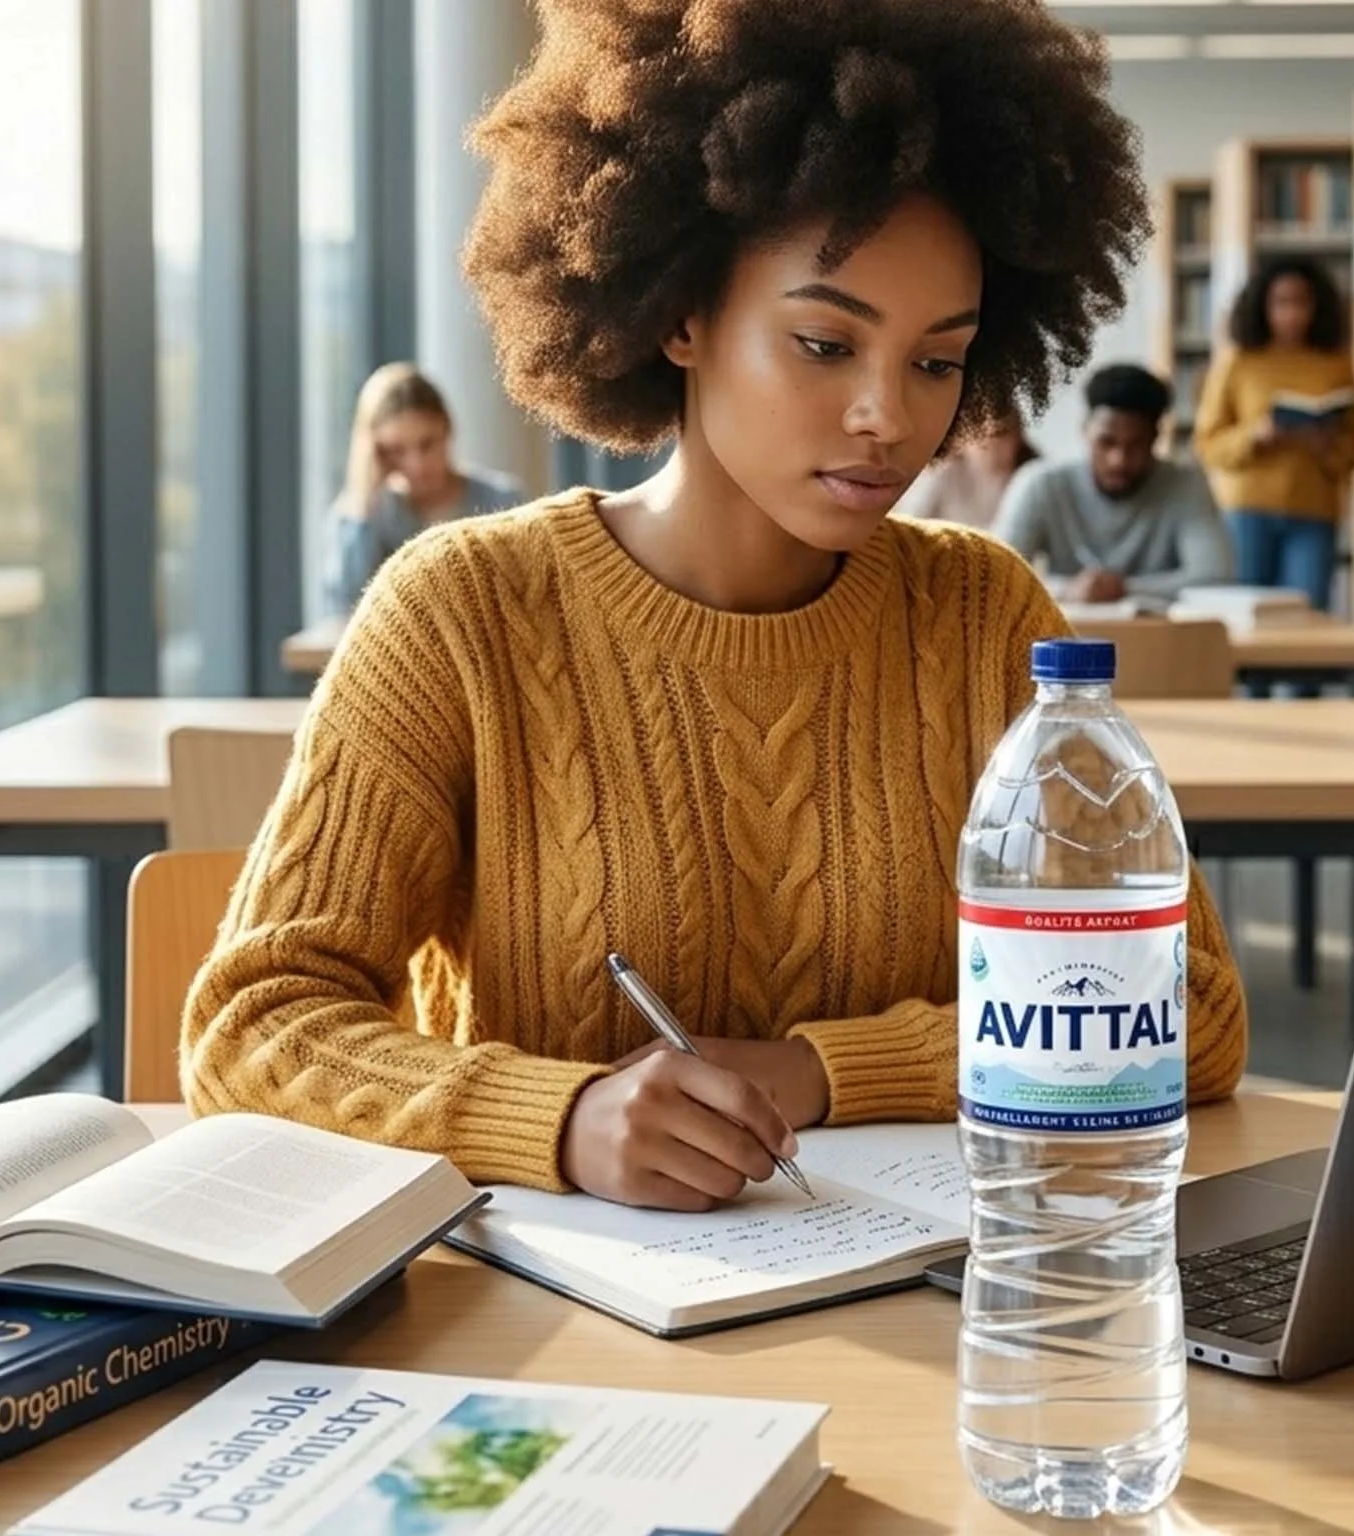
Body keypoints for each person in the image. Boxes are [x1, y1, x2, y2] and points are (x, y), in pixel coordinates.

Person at [183, 0, 1248, 1213]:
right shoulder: (459, 613)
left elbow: (1189, 1006)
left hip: (921, 1311)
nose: (887, 417)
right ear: (680, 314)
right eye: (821, 343)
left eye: (936, 360)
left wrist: (818, 1072)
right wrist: (561, 1116)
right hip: (559, 1347)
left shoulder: (983, 612)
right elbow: (253, 1024)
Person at [1194, 256, 1354, 611]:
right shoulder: (1240, 362)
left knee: (1308, 610)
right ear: (1263, 305)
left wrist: (1325, 446)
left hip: (1314, 511)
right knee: (1245, 610)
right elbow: (1208, 443)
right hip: (1247, 510)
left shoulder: (1336, 364)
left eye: (1302, 302)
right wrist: (1254, 437)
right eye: (1281, 302)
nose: (1292, 314)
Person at [995, 364, 1231, 603]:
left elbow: (1216, 576)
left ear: (1155, 438)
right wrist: (1068, 589)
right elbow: (1000, 575)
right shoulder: (1040, 483)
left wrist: (1123, 588)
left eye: (1135, 445)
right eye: (1106, 442)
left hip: (1159, 636)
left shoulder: (1186, 485)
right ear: (1085, 431)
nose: (1119, 460)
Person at [325, 363, 522, 614]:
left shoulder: (501, 502)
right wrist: (363, 499)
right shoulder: (368, 516)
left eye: (427, 444)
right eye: (397, 451)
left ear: (447, 428)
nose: (417, 465)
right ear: (377, 452)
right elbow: (344, 608)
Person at [897, 406, 1037, 530]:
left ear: (1017, 439)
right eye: (981, 434)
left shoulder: (1033, 479)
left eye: (1000, 434)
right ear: (962, 439)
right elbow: (905, 529)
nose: (990, 444)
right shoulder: (941, 472)